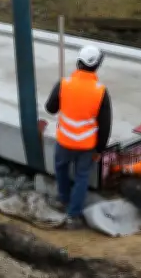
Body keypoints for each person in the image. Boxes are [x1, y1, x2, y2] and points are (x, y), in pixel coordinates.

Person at [45, 45, 112, 230]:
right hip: (86, 145)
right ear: (96, 66)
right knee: (82, 177)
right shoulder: (100, 91)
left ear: (78, 62)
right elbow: (105, 125)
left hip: (64, 141)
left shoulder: (64, 84)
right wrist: (99, 149)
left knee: (61, 169)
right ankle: (73, 215)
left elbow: (50, 108)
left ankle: (63, 199)